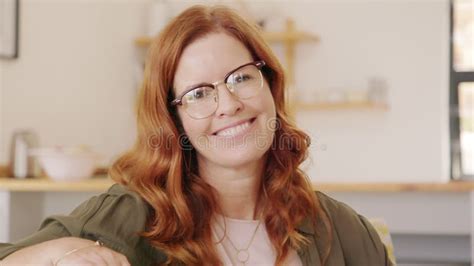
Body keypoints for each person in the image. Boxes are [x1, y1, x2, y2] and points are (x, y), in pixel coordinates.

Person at [0, 5, 393, 266]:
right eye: (199, 93)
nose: (228, 103)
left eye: (241, 77)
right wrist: (59, 252)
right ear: (174, 119)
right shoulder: (134, 213)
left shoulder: (341, 230)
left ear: (271, 86)